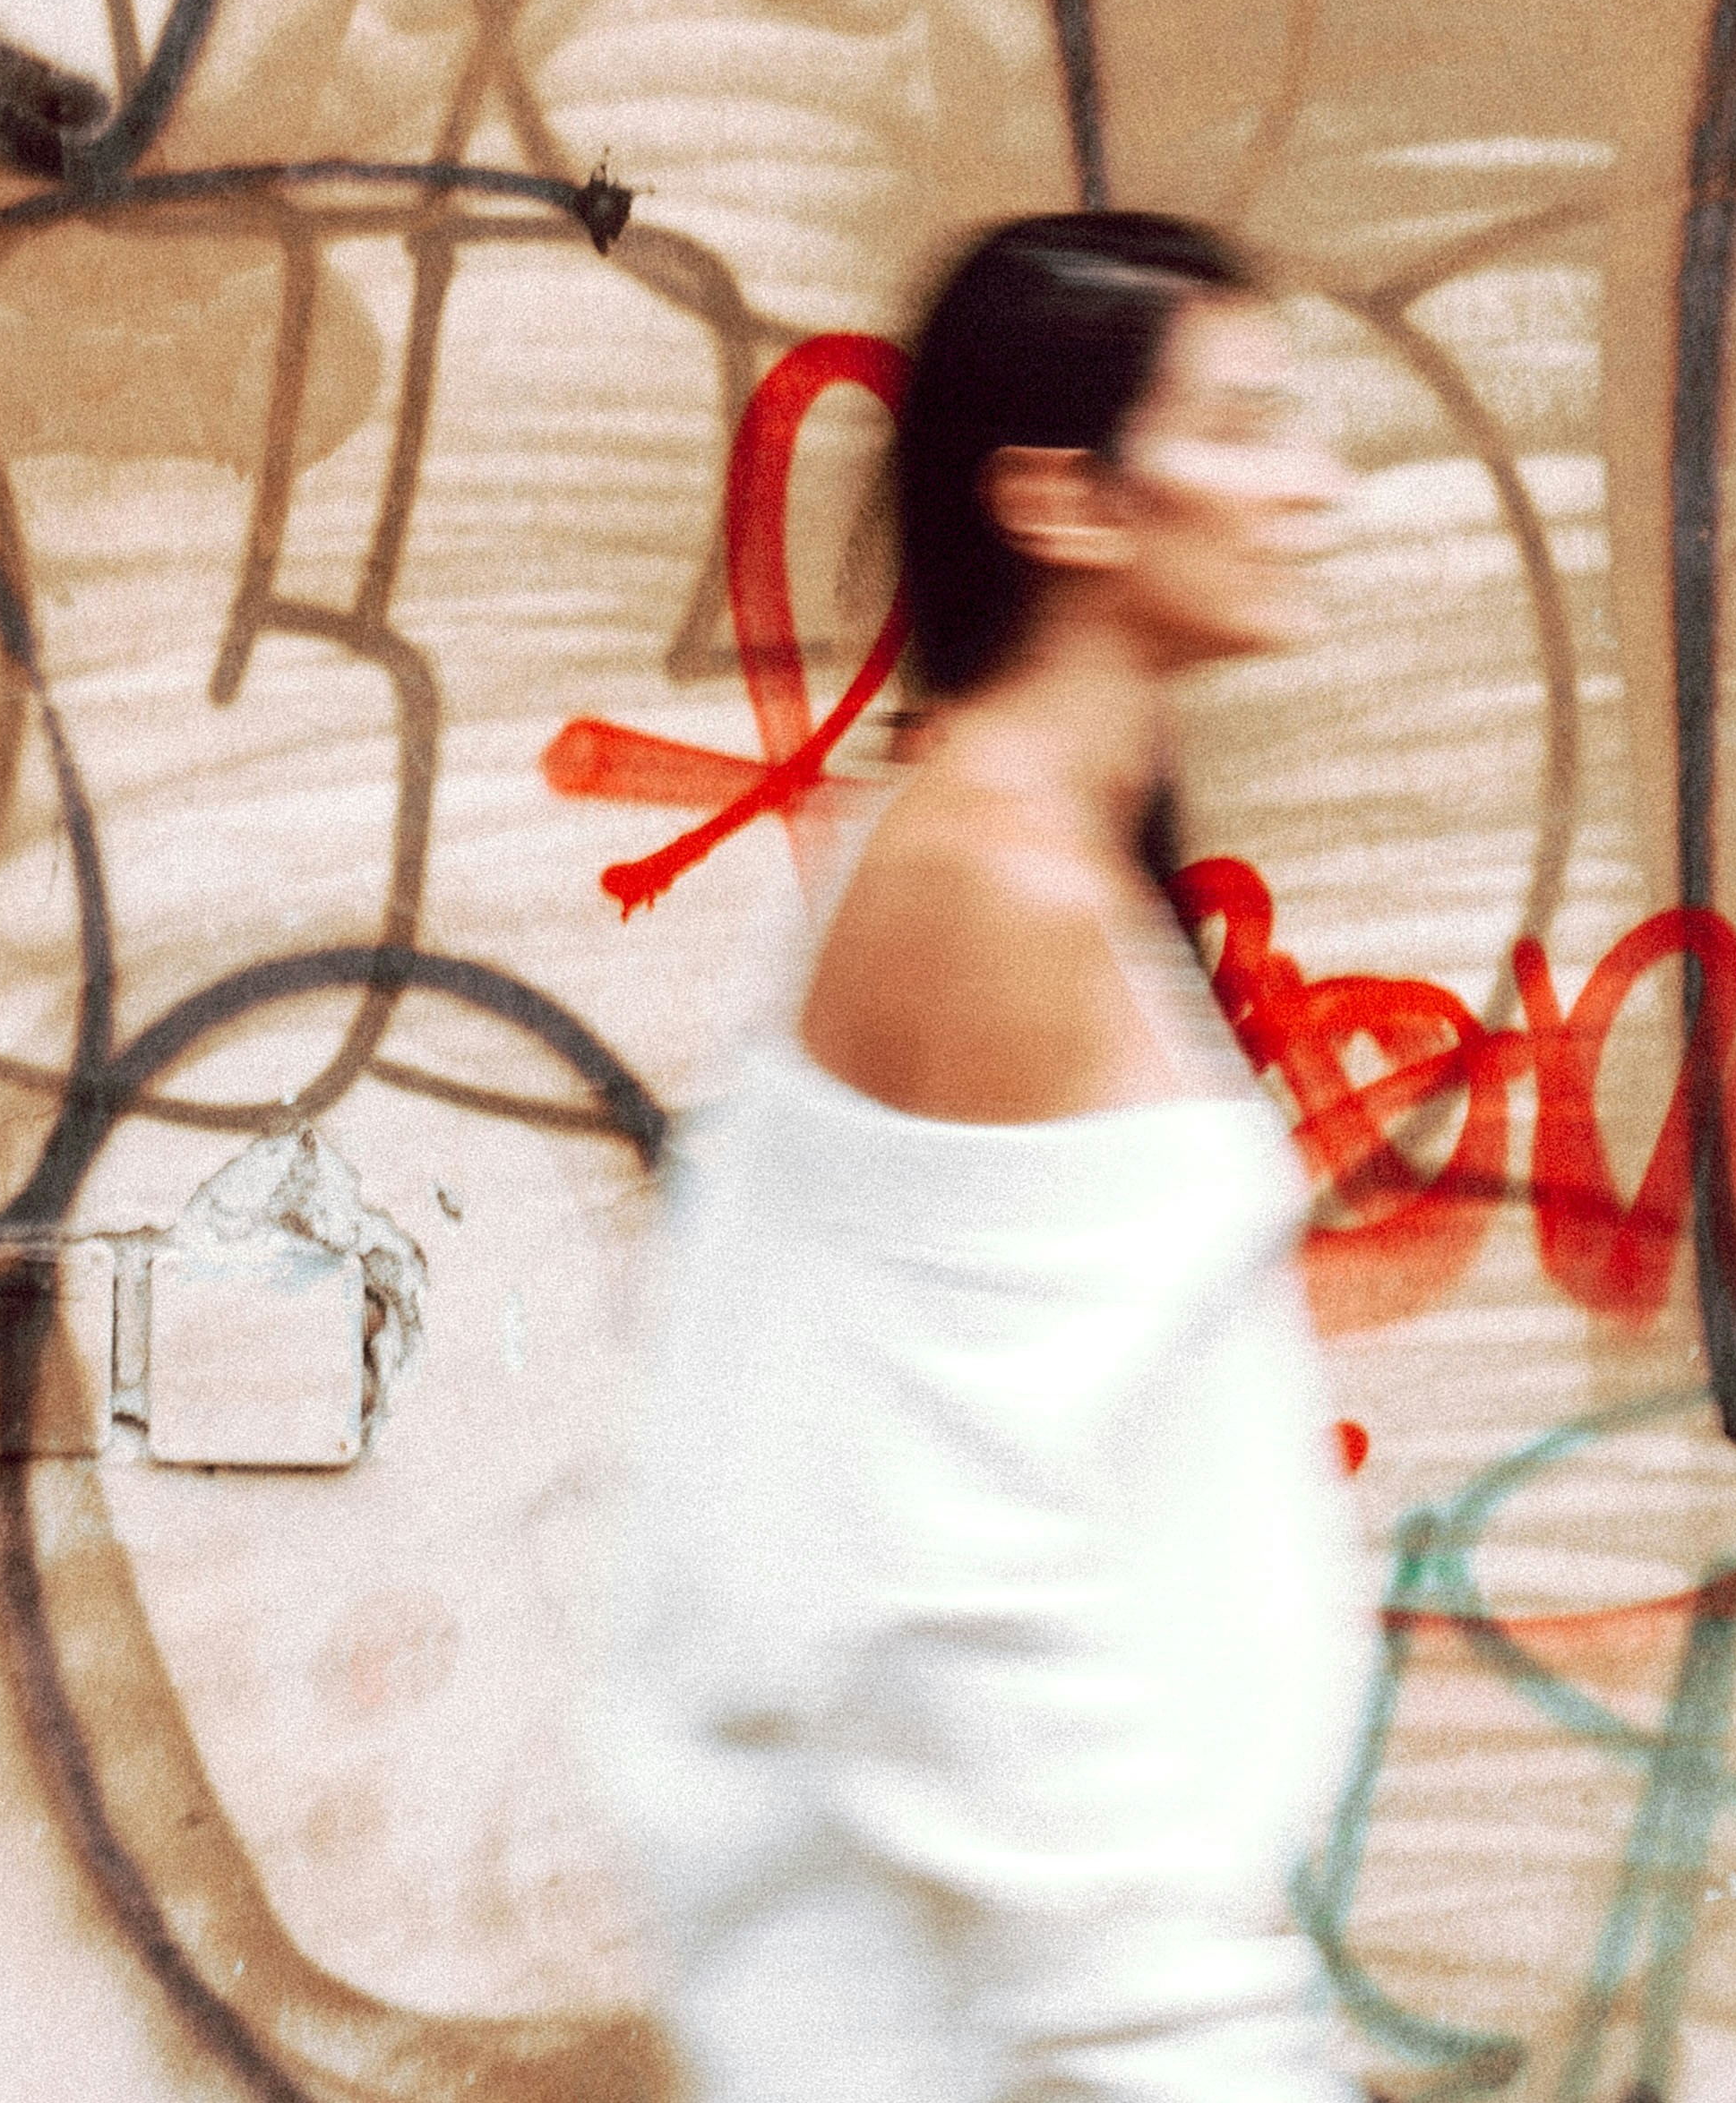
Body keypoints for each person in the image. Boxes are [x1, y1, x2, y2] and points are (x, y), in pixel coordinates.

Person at [583, 210, 1376, 2103]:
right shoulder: (998, 884)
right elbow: (953, 1582)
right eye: (1243, 426)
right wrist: (1192, 2047)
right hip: (1013, 2038)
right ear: (1062, 503)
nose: (1314, 487)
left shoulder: (1012, 849)